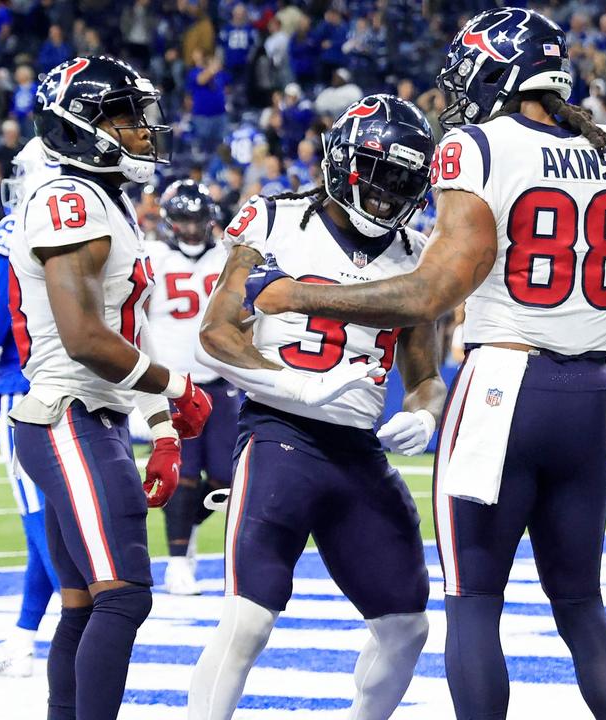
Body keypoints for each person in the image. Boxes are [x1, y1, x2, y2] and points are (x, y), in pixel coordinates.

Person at [243, 9, 606, 719]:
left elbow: (432, 292)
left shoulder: (478, 148)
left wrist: (292, 295)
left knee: (474, 605)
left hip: (502, 391)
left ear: (497, 71)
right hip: (588, 393)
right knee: (583, 607)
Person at [190, 95, 442, 720]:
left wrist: (425, 413)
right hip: (281, 435)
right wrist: (295, 386)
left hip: (359, 451)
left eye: (404, 183)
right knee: (248, 618)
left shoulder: (415, 250)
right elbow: (216, 332)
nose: (388, 196)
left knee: (407, 627)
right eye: (381, 176)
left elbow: (426, 375)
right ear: (342, 163)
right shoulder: (274, 220)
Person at [6, 56, 213, 720]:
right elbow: (86, 338)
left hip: (91, 416)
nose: (140, 131)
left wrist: (160, 426)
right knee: (123, 595)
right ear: (79, 127)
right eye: (123, 118)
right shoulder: (66, 199)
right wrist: (178, 386)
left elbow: (134, 327)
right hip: (68, 410)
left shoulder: (106, 203)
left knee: (86, 602)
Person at [0, 138, 61, 678]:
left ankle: (88, 624)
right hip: (87, 383)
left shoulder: (19, 224)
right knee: (57, 518)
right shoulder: (111, 214)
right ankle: (23, 638)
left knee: (37, 522)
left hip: (29, 390)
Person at [143, 180, 240, 596]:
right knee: (179, 476)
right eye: (182, 221)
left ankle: (187, 532)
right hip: (173, 381)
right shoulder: (152, 256)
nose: (190, 229)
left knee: (224, 479)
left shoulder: (226, 257)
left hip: (220, 379)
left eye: (197, 220)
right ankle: (177, 562)